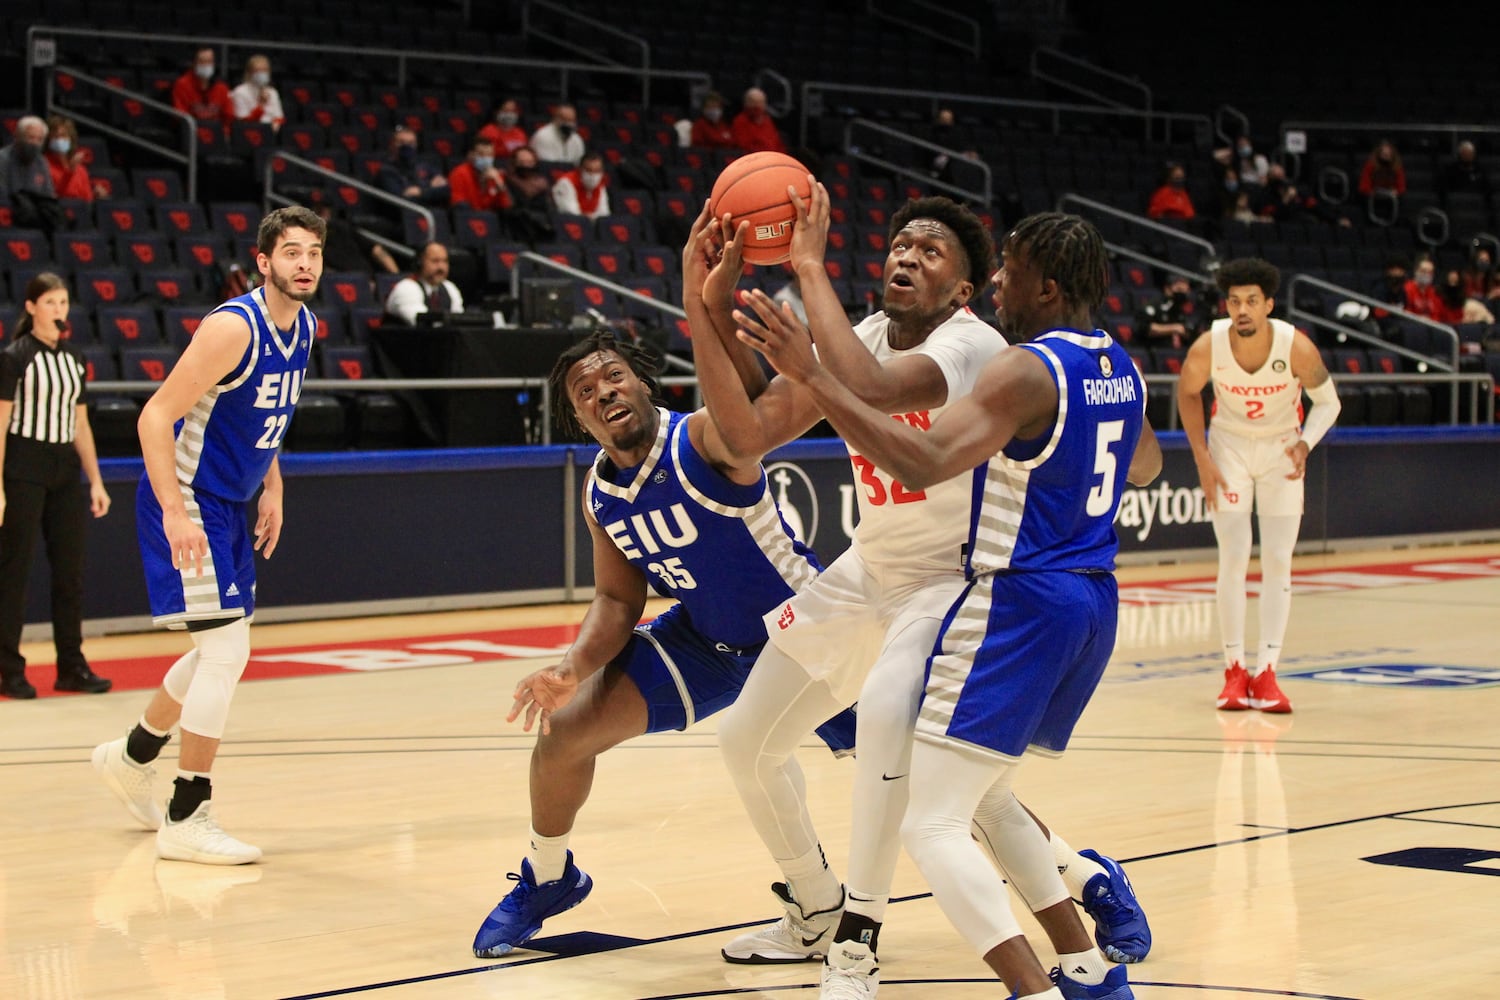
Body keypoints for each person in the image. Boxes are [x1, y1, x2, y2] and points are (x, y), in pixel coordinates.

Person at [699, 193, 1152, 997]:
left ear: (972, 290)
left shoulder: (981, 347)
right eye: (899, 242)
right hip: (870, 570)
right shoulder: (865, 334)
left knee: (900, 749)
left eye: (931, 251)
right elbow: (744, 437)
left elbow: (871, 388)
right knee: (748, 741)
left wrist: (807, 267)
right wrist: (705, 304)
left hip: (954, 583)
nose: (906, 256)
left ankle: (856, 946)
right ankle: (829, 906)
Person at [469, 327, 856, 958]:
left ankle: (1066, 873)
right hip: (708, 642)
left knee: (930, 775)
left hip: (808, 633)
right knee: (564, 730)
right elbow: (619, 601)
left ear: (643, 382)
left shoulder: (701, 436)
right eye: (585, 390)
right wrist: (572, 668)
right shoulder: (600, 492)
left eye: (613, 377)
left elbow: (769, 405)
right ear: (578, 416)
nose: (604, 393)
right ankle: (548, 875)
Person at [90, 206, 326, 864]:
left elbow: (265, 418)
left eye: (313, 252)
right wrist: (171, 510)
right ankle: (186, 813)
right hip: (191, 500)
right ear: (263, 261)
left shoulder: (305, 327)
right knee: (226, 654)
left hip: (230, 502)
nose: (303, 263)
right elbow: (155, 415)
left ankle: (131, 756)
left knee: (212, 653)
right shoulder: (232, 327)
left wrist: (273, 486)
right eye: (290, 252)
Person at [1174, 257, 1340, 716]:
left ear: (1268, 304)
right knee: (1232, 556)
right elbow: (1186, 393)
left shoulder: (1296, 347)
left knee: (1277, 561)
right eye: (1234, 301)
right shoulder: (1209, 346)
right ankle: (1233, 668)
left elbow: (1329, 402)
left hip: (1282, 449)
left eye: (1251, 301)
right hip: (1228, 449)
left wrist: (1306, 443)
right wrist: (1202, 458)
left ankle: (1267, 671)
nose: (1241, 309)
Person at [0, 273, 113, 700]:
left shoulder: (74, 358)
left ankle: (71, 665)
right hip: (23, 466)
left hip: (65, 468)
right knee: (15, 571)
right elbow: (1, 424)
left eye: (64, 302)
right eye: (50, 302)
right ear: (31, 308)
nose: (59, 310)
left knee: (70, 572)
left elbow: (81, 423)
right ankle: (9, 668)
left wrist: (96, 481)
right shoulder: (14, 358)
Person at [0, 116, 63, 233]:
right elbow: (2, 196)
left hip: (35, 220)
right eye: (30, 138)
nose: (34, 144)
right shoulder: (2, 159)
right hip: (8, 218)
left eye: (39, 140)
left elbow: (48, 195)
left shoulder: (41, 161)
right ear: (17, 136)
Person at [382, 241, 463, 327]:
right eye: (435, 261)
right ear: (420, 262)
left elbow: (459, 321)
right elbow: (424, 324)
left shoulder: (450, 288)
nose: (441, 267)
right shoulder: (406, 288)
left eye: (445, 261)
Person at [311, 200, 399, 277]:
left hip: (366, 278)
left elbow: (377, 250)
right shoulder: (306, 240)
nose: (323, 212)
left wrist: (397, 278)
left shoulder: (343, 228)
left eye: (325, 208)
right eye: (318, 210)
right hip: (340, 283)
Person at [374, 126, 449, 208]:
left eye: (411, 143)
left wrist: (420, 191)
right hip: (403, 217)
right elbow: (401, 201)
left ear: (416, 145)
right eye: (401, 143)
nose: (406, 146)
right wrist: (431, 187)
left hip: (432, 213)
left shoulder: (425, 166)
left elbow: (445, 191)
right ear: (392, 145)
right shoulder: (386, 171)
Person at [43, 115, 107, 202]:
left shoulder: (80, 170)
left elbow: (87, 202)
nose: (59, 140)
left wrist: (96, 196)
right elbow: (54, 196)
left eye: (63, 136)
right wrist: (69, 172)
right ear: (48, 140)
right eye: (55, 136)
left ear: (71, 139)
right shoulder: (42, 164)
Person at [1134, 273, 1207, 349]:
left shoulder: (1190, 308)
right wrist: (1174, 328)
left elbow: (1193, 331)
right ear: (1167, 289)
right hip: (1155, 349)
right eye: (1178, 289)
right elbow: (1144, 327)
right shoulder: (1154, 304)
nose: (1181, 295)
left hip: (1182, 352)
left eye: (1185, 291)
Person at [501, 145, 556, 244]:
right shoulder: (506, 181)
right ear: (514, 164)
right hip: (516, 228)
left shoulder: (543, 184)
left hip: (542, 230)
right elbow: (509, 207)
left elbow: (550, 208)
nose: (526, 166)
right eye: (522, 162)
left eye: (530, 163)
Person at [171, 47, 234, 127]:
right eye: (202, 61)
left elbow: (228, 116)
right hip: (191, 133)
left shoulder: (221, 86)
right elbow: (181, 115)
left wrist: (223, 133)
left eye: (209, 62)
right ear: (194, 63)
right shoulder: (182, 84)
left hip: (216, 133)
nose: (206, 65)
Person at [448, 136, 512, 213]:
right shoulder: (459, 173)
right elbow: (458, 203)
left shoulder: (496, 175)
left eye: (490, 155)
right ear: (470, 155)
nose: (486, 158)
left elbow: (506, 206)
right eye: (481, 154)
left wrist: (499, 182)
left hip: (490, 219)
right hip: (469, 218)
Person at [229, 54, 285, 133]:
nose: (262, 74)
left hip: (271, 134)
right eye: (258, 70)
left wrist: (271, 130)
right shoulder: (240, 92)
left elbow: (280, 118)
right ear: (249, 73)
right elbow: (243, 123)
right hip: (248, 134)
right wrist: (261, 105)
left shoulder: (273, 92)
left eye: (265, 70)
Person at [550, 150, 610, 220]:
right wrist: (592, 217)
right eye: (588, 170)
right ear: (580, 170)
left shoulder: (600, 185)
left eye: (597, 171)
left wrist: (589, 217)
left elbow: (604, 215)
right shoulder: (566, 183)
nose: (593, 175)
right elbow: (573, 214)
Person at [1437, 141, 1492, 209]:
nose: (1467, 157)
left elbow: (1487, 188)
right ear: (1460, 154)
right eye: (1465, 154)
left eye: (1469, 154)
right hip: (1456, 202)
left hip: (1475, 203)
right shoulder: (1451, 170)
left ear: (1473, 155)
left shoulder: (1480, 170)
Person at [731, 87, 786, 155]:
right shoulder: (740, 121)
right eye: (753, 102)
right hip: (754, 160)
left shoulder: (767, 120)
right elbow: (744, 146)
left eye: (760, 102)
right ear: (746, 103)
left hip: (773, 158)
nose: (757, 105)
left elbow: (778, 144)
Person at [1357, 139, 1406, 204]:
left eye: (1388, 154)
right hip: (1373, 194)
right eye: (1384, 153)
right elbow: (1364, 185)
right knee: (1363, 198)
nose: (1386, 155)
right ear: (1379, 153)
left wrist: (1396, 191)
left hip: (1391, 194)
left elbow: (1401, 187)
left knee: (1398, 199)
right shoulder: (1371, 165)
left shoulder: (1397, 166)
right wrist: (1372, 192)